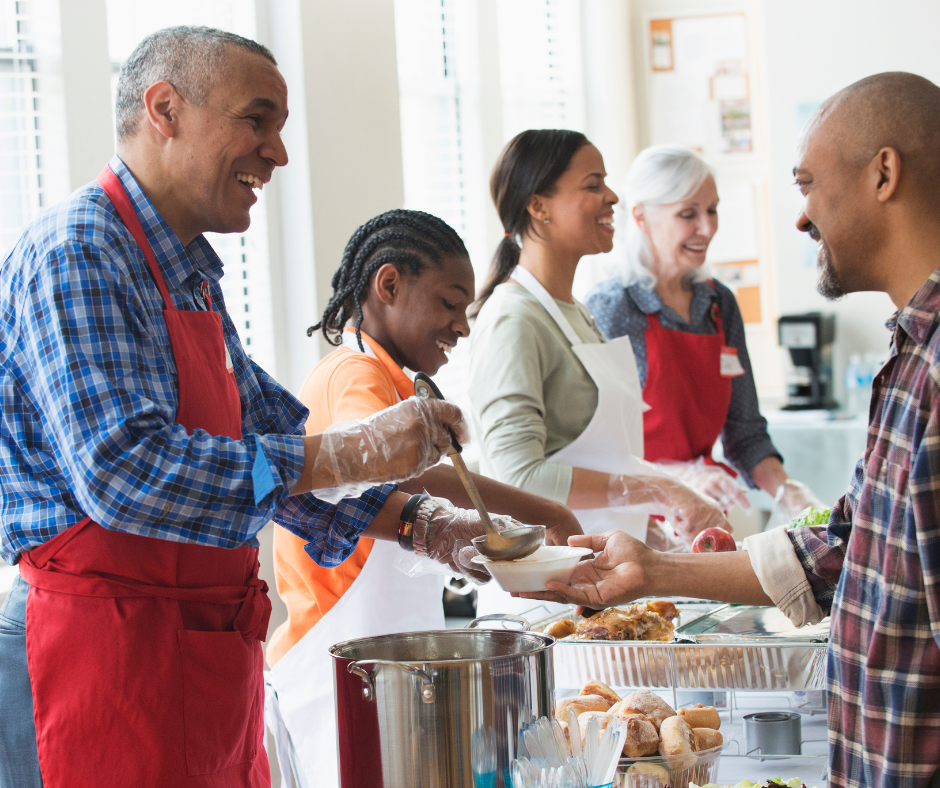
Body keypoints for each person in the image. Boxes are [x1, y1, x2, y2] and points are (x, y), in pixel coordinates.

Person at [0, 27, 491, 788]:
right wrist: (353, 450)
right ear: (164, 109)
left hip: (193, 649)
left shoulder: (189, 272)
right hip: (99, 655)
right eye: (256, 120)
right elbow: (127, 473)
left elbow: (266, 434)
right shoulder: (79, 252)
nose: (279, 153)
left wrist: (426, 527)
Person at [522, 72, 940, 788]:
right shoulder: (907, 355)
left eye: (807, 184)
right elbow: (849, 546)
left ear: (883, 174)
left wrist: (768, 485)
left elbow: (749, 434)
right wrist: (651, 569)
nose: (801, 219)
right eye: (691, 212)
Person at [265, 208, 584, 786]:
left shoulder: (384, 375)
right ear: (388, 285)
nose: (462, 326)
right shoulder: (353, 373)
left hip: (381, 664)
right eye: (448, 303)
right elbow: (393, 472)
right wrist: (543, 510)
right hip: (336, 665)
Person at [467, 129, 731, 617]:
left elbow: (606, 462)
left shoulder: (576, 313)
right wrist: (661, 488)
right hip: (547, 603)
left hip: (599, 587)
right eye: (593, 184)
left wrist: (658, 544)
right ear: (539, 206)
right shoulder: (514, 317)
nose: (612, 197)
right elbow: (518, 476)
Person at [585, 145, 821, 516]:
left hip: (702, 515)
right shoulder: (610, 308)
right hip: (629, 519)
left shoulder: (719, 305)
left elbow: (745, 435)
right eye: (687, 214)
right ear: (641, 217)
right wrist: (682, 476)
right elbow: (595, 456)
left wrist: (792, 495)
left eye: (712, 209)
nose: (707, 228)